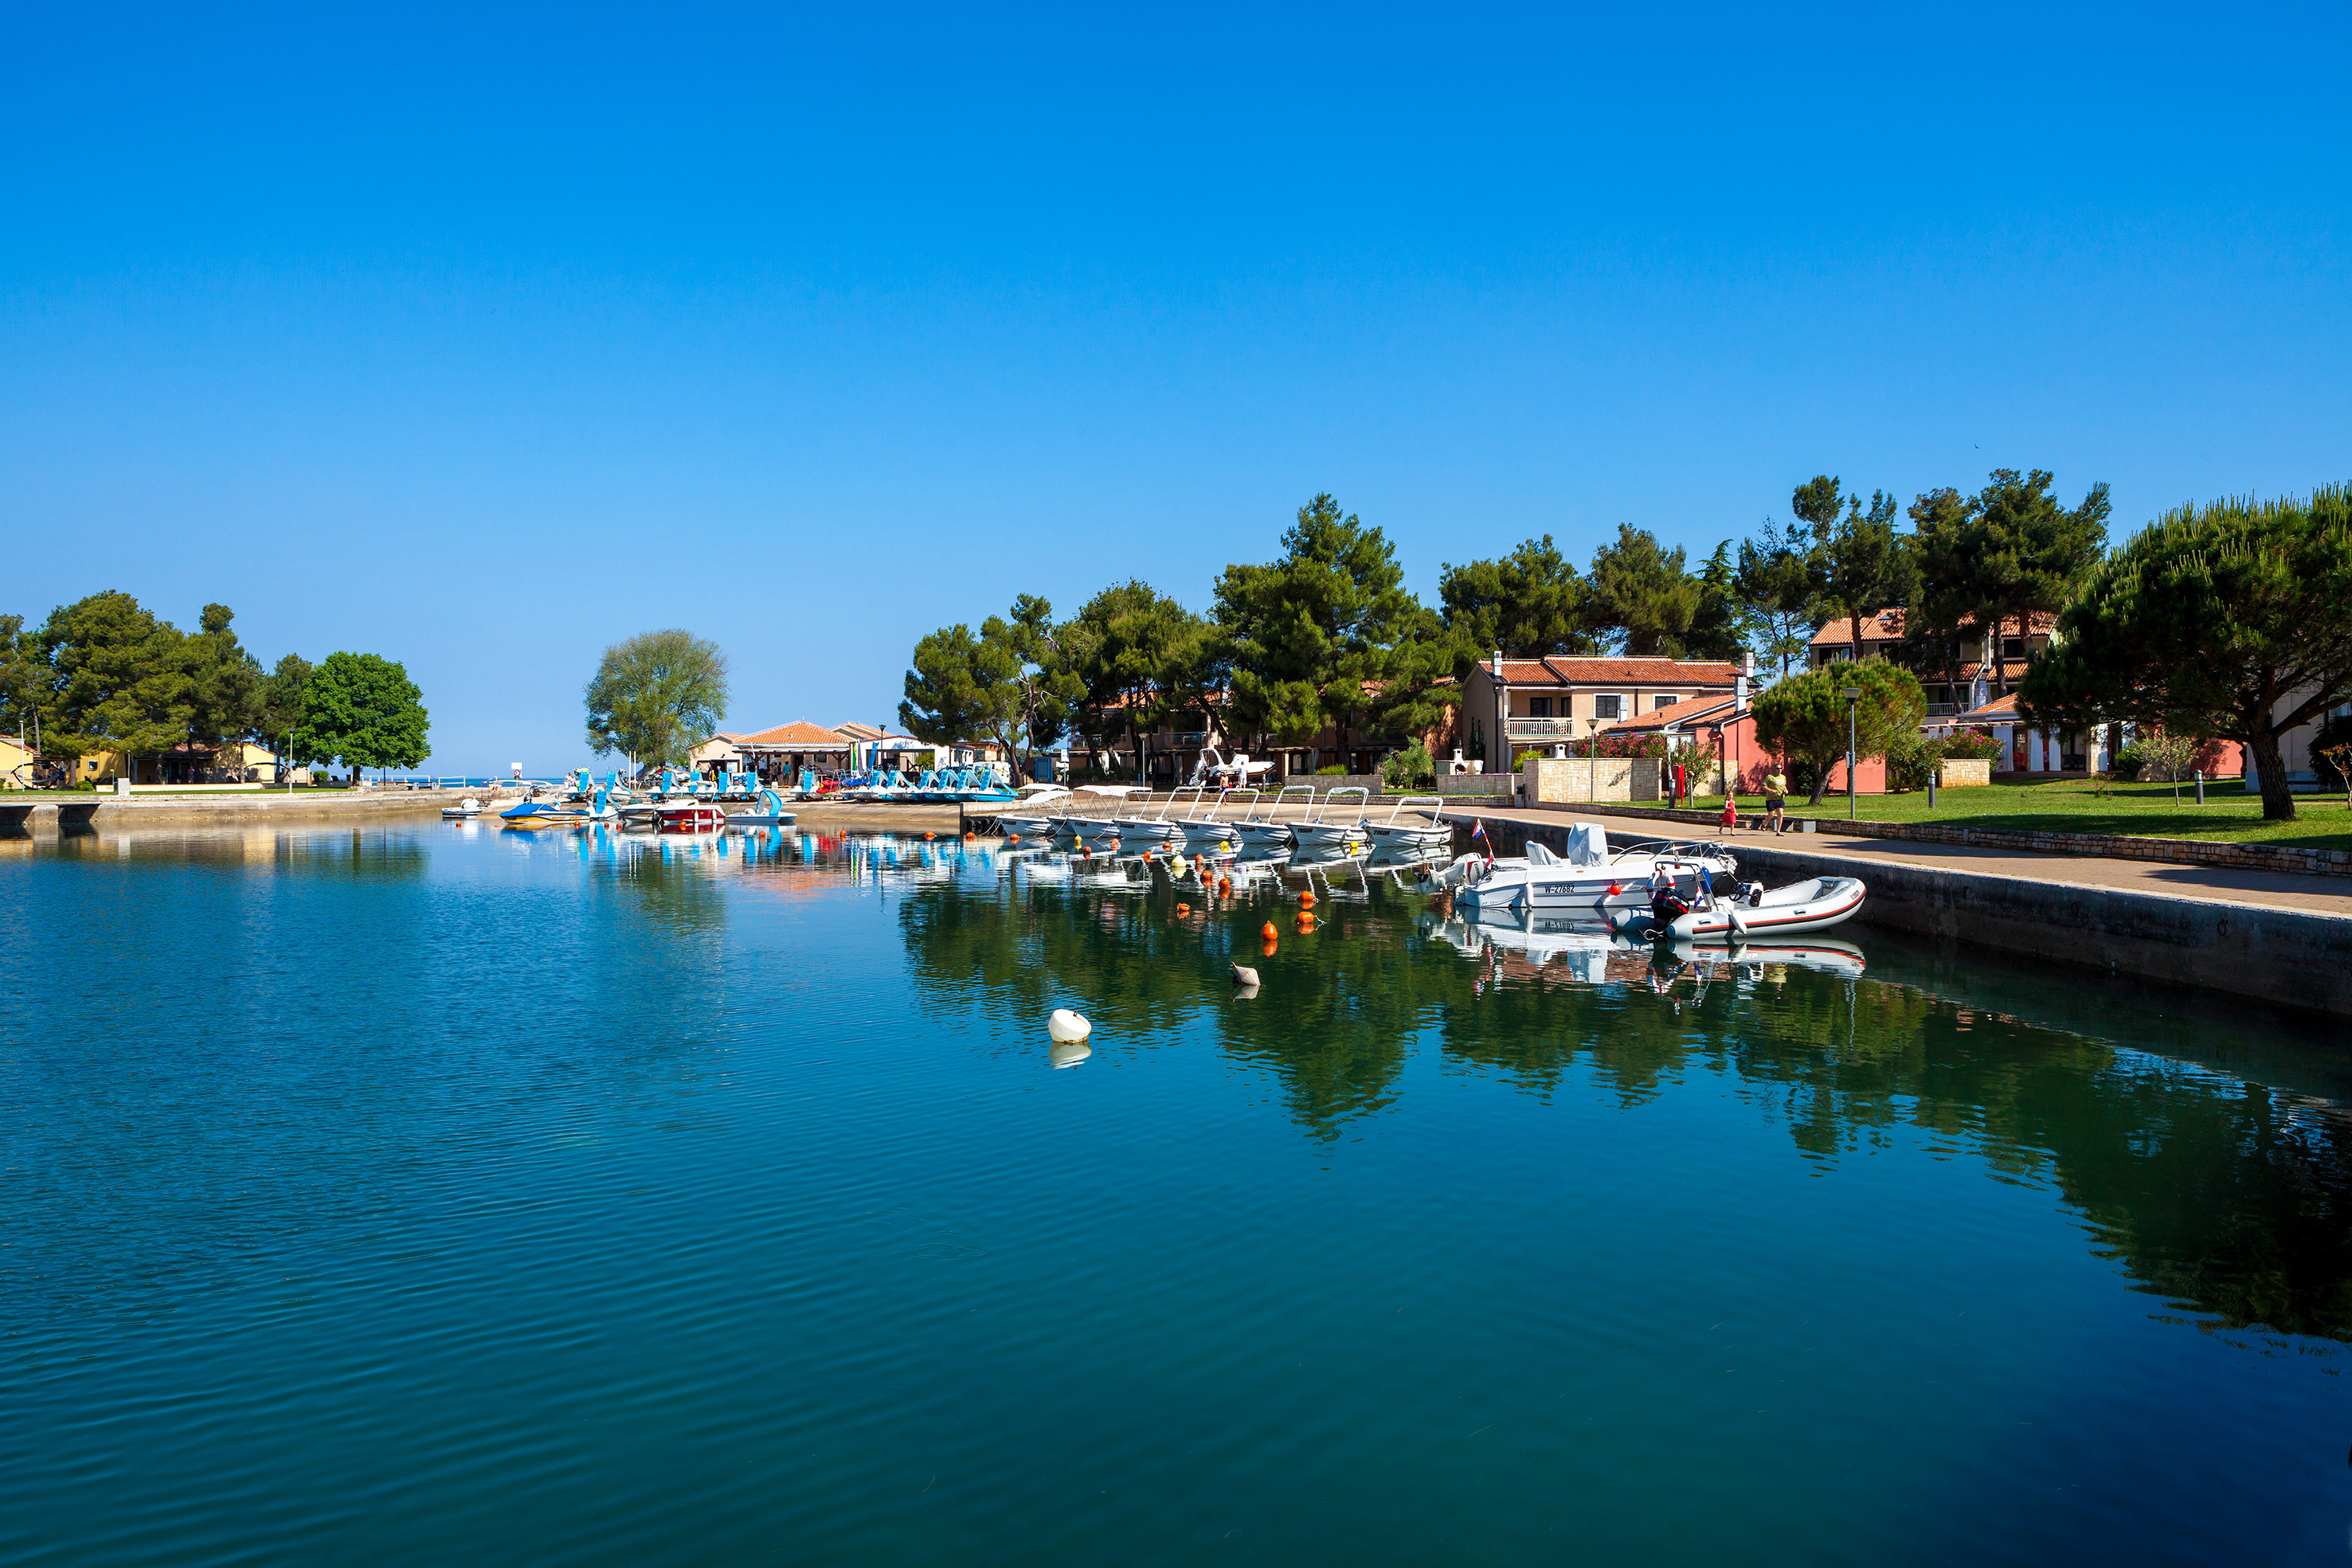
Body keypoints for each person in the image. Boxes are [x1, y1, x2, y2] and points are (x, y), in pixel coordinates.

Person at [1763, 766, 1789, 835]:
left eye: (1780, 768)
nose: (1779, 770)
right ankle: (1765, 822)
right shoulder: (1770, 777)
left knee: (1780, 814)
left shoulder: (1783, 777)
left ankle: (1778, 831)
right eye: (1777, 768)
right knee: (1771, 815)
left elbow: (1784, 785)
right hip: (1771, 799)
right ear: (1774, 769)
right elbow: (1763, 785)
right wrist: (1770, 790)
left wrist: (1786, 790)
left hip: (1780, 799)